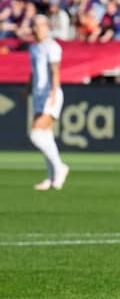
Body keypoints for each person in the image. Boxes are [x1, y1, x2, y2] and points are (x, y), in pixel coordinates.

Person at [25, 15, 69, 190]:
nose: (36, 28)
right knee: (46, 136)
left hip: (50, 94)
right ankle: (51, 177)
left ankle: (60, 167)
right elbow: (34, 71)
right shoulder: (34, 48)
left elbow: (55, 71)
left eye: (40, 25)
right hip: (38, 95)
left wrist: (53, 92)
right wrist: (27, 89)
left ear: (47, 27)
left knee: (35, 134)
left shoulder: (52, 47)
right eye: (34, 25)